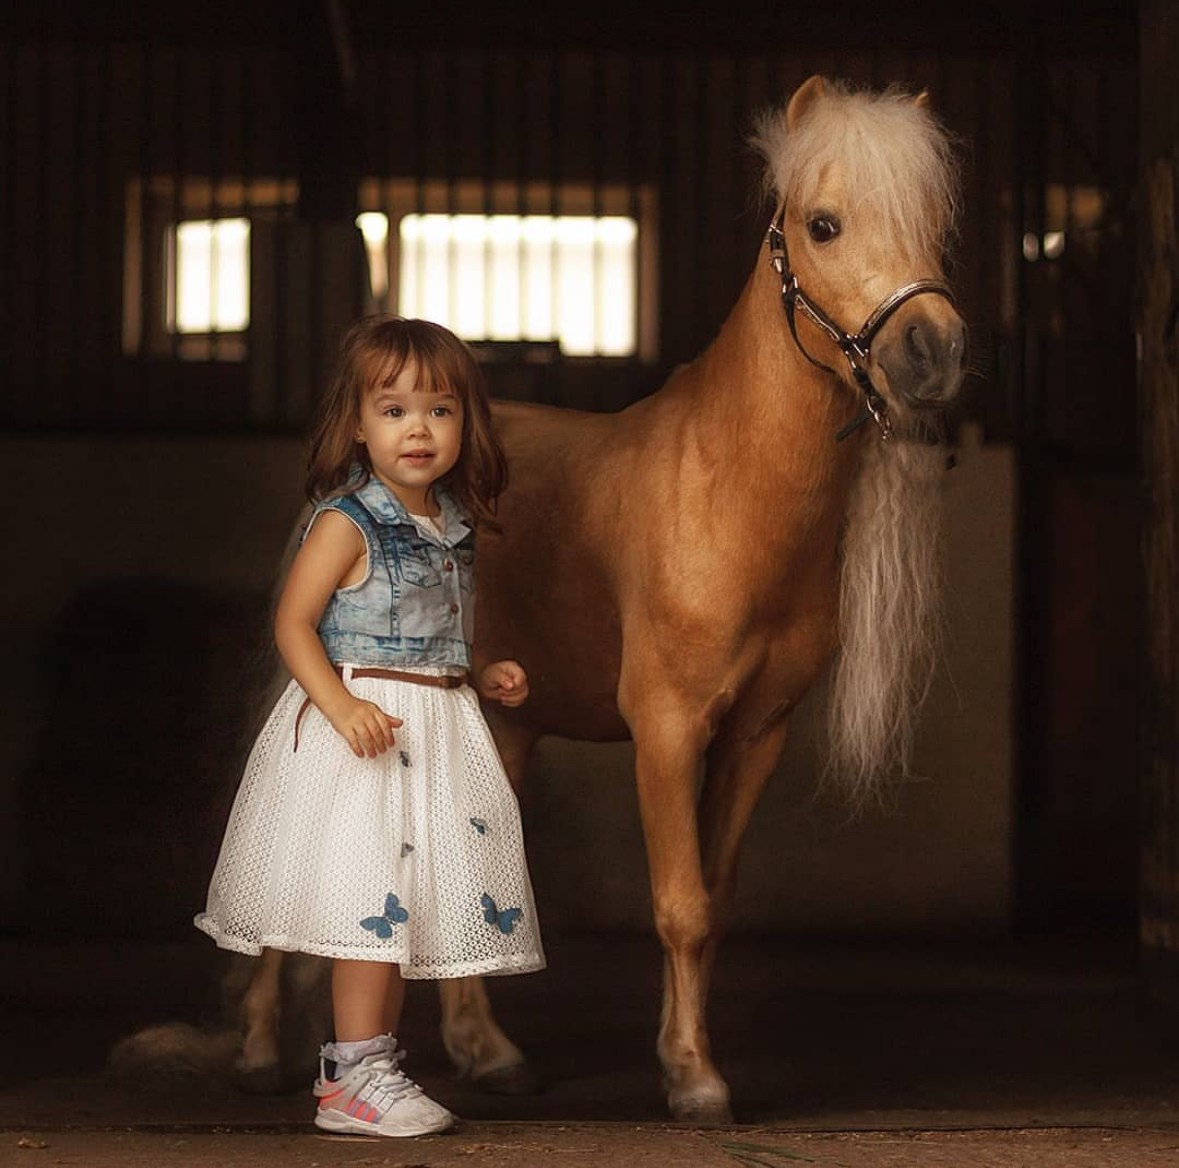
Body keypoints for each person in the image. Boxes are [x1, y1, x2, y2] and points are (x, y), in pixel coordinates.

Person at [195, 316, 545, 1138]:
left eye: (439, 410)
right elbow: (293, 623)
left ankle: (370, 1067)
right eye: (392, 411)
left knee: (403, 915)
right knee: (368, 910)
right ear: (357, 424)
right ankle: (353, 1075)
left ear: (467, 424)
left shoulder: (455, 524)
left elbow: (439, 629)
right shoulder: (346, 520)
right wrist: (339, 704)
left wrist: (481, 669)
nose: (417, 429)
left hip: (432, 729)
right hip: (367, 731)